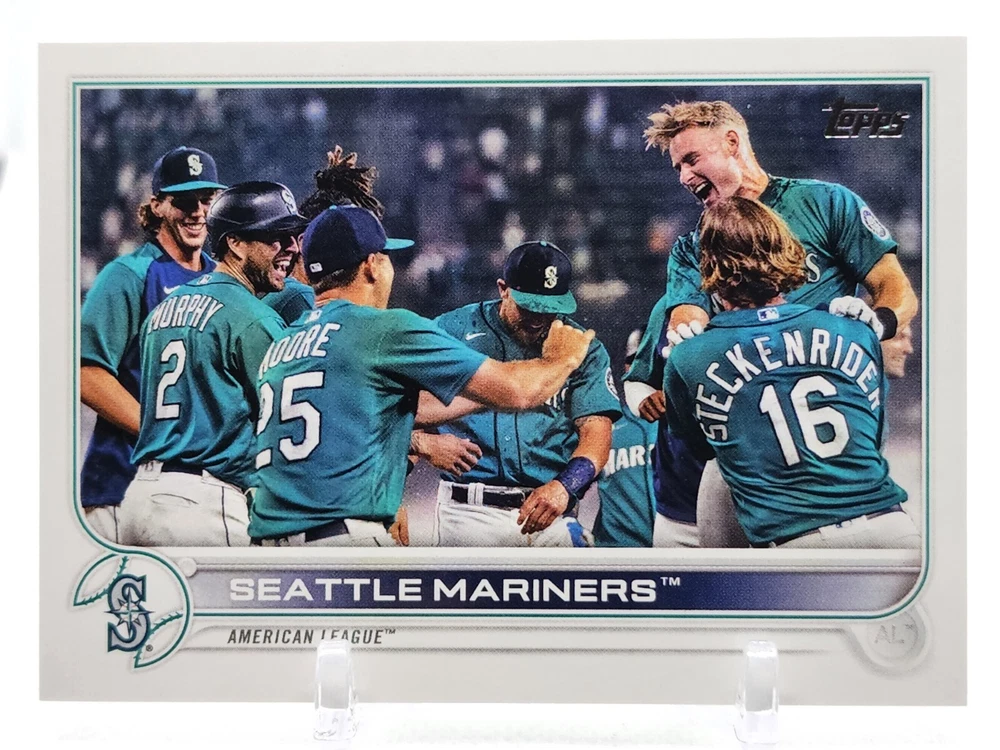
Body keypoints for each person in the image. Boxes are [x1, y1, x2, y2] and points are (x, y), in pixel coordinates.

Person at [626, 100, 918, 544]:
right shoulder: (693, 246)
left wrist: (875, 325)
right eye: (678, 167)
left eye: (691, 159)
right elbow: (687, 316)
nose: (684, 176)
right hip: (748, 452)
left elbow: (896, 289)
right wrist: (686, 335)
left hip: (826, 433)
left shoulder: (826, 203)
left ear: (732, 142)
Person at [248, 208, 595, 547]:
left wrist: (461, 411)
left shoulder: (286, 341)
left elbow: (366, 420)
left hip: (271, 543)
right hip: (343, 536)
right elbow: (519, 392)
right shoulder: (383, 328)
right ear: (372, 264)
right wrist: (562, 358)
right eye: (387, 257)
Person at [662, 197, 918, 549]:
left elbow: (701, 448)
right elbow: (872, 435)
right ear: (788, 249)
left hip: (798, 545)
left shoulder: (690, 355)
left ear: (711, 268)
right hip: (893, 530)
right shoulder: (853, 329)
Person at [116, 181, 310, 547]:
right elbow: (293, 423)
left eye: (293, 236)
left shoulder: (164, 310)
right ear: (234, 243)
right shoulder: (253, 318)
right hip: (204, 504)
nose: (292, 247)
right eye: (276, 237)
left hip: (139, 497)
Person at [79, 146, 226, 542]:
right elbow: (86, 374)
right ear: (158, 205)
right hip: (120, 484)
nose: (197, 212)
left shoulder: (224, 281)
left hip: (194, 492)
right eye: (184, 201)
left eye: (206, 200)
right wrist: (160, 432)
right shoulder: (128, 275)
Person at [431, 241, 621, 547]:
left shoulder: (582, 348)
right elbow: (401, 409)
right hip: (469, 511)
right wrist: (424, 445)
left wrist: (565, 486)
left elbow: (597, 435)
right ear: (503, 289)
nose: (538, 318)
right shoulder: (451, 331)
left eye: (550, 308)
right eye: (529, 306)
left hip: (551, 511)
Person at [592, 329, 657, 547]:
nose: (642, 368)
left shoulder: (691, 423)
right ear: (624, 368)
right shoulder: (604, 425)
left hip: (678, 550)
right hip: (617, 551)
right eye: (633, 360)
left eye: (650, 359)